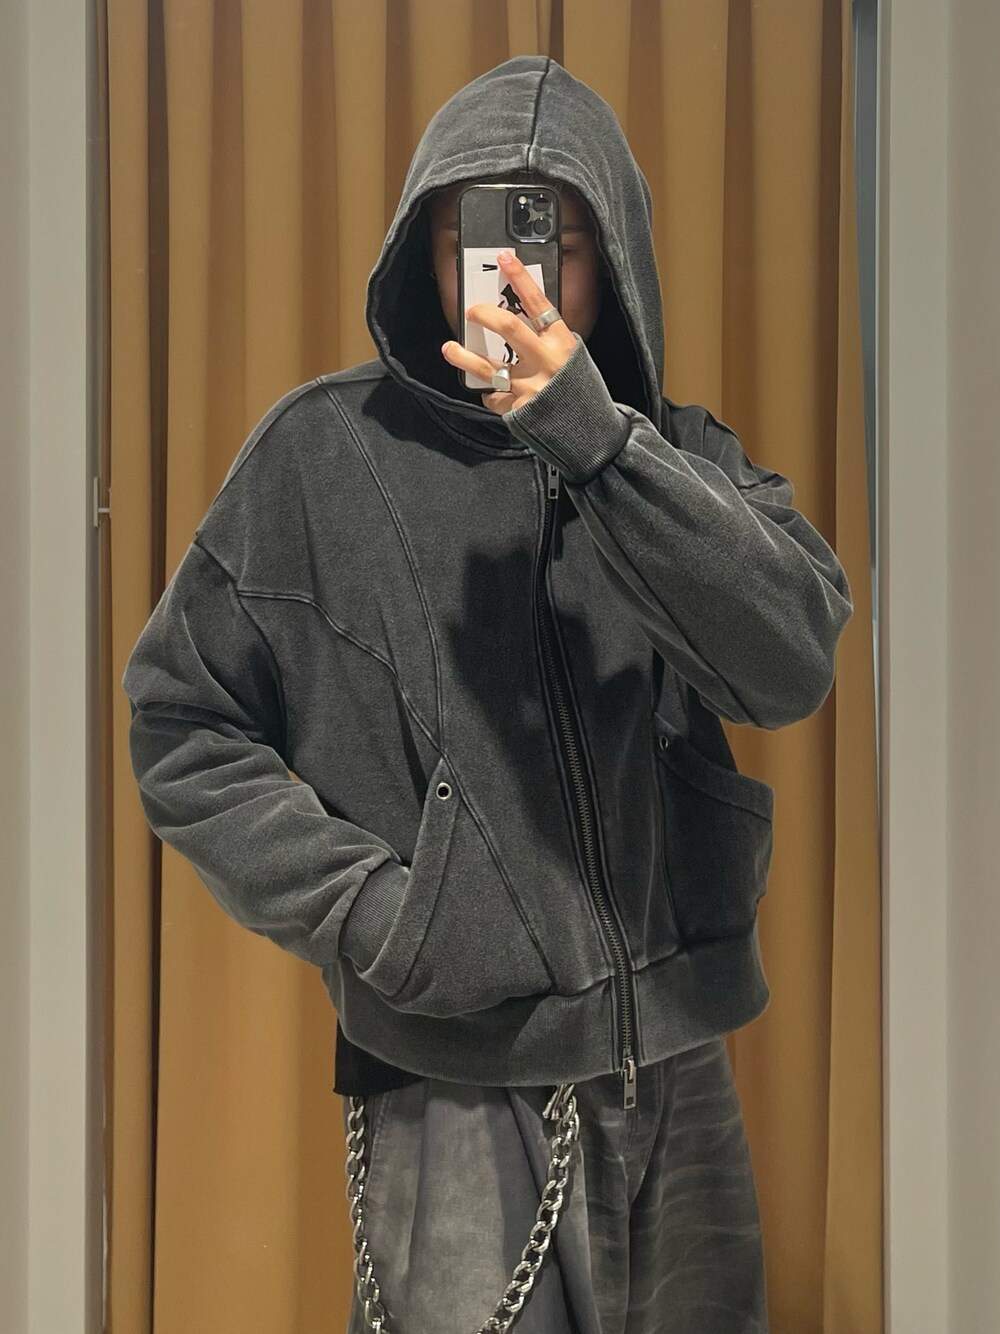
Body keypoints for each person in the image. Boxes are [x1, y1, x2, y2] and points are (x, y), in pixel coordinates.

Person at [122, 54, 853, 1334]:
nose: (518, 268)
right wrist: (376, 917)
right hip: (449, 1072)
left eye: (557, 234)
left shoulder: (676, 458)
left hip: (679, 1050)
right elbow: (178, 719)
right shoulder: (321, 455)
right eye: (483, 231)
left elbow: (789, 665)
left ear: (611, 257)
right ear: (425, 246)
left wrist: (597, 442)